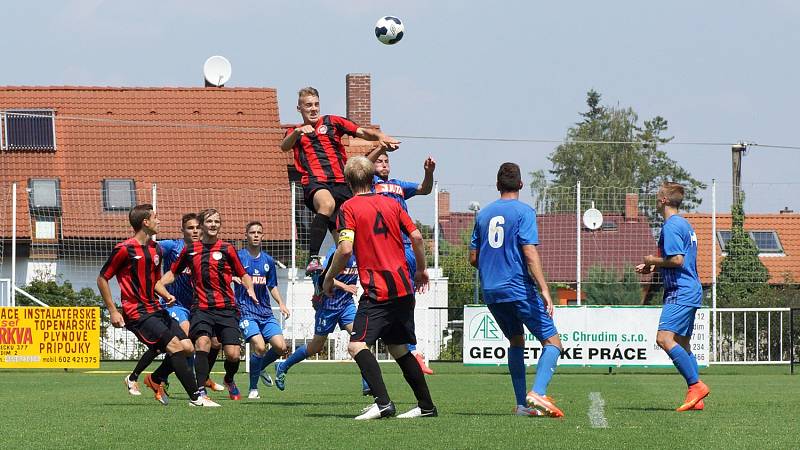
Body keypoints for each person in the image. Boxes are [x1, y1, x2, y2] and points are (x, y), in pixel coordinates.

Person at [323, 156, 436, 420]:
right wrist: (420, 270)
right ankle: (426, 406)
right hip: (404, 288)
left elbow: (346, 248)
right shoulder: (392, 203)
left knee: (356, 345)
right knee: (398, 347)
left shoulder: (348, 208)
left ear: (349, 182)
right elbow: (417, 237)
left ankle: (383, 402)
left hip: (378, 291)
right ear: (371, 177)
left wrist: (329, 277)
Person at [98, 204, 217, 407]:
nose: (159, 220)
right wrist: (112, 310)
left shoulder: (156, 250)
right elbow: (102, 278)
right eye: (155, 217)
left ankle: (153, 379)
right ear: (145, 222)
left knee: (188, 347)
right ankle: (197, 398)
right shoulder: (124, 249)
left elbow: (154, 282)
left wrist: (166, 294)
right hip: (137, 312)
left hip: (156, 308)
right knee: (174, 346)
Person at [469, 163, 564, 418]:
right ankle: (538, 393)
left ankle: (522, 405)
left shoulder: (483, 215)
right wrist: (544, 289)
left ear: (498, 185)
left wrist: (494, 261)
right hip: (518, 288)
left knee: (516, 341)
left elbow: (473, 258)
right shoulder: (524, 212)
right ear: (521, 185)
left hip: (492, 291)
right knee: (553, 342)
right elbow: (530, 252)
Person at [281, 86, 400, 276]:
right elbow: (284, 146)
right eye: (308, 105)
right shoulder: (295, 132)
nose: (313, 109)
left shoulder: (333, 122)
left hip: (342, 185)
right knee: (327, 204)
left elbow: (361, 132)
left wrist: (380, 136)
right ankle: (312, 257)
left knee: (345, 249)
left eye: (316, 104)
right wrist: (297, 133)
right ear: (299, 108)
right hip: (316, 183)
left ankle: (326, 281)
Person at [156, 208, 257, 403]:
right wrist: (159, 284)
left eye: (217, 222)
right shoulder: (190, 250)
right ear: (202, 225)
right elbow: (173, 273)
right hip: (201, 307)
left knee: (233, 354)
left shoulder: (227, 249)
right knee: (202, 343)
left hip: (227, 308)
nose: (213, 225)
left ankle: (229, 378)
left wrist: (250, 289)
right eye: (209, 221)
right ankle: (200, 391)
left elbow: (243, 274)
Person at [123, 213, 225, 396]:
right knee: (184, 341)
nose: (194, 231)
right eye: (190, 228)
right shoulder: (173, 246)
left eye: (196, 228)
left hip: (196, 305)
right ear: (183, 230)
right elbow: (147, 249)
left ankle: (167, 377)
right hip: (174, 304)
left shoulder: (204, 250)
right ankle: (191, 385)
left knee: (214, 342)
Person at [635, 182, 710, 411]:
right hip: (690, 289)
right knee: (684, 345)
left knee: (664, 338)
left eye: (658, 196)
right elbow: (678, 259)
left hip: (680, 291)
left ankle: (695, 385)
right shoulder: (684, 224)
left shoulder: (671, 226)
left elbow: (677, 260)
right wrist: (653, 268)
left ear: (665, 200)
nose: (656, 200)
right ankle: (697, 398)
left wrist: (652, 260)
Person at [372, 150, 436, 375]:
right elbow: (362, 164)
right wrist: (379, 147)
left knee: (407, 300)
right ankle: (406, 349)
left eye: (386, 161)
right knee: (387, 301)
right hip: (384, 250)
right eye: (379, 161)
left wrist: (428, 173)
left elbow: (424, 189)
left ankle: (412, 350)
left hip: (405, 249)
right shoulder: (368, 186)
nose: (384, 164)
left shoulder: (398, 185)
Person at [274, 243, 358, 390]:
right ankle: (283, 365)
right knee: (316, 347)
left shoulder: (361, 251)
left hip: (347, 305)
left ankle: (367, 383)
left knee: (360, 340)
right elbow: (324, 276)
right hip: (328, 306)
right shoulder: (336, 251)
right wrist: (345, 286)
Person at [234, 221, 291, 399]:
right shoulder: (239, 256)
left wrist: (281, 303)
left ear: (263, 236)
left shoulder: (267, 260)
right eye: (252, 232)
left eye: (259, 232)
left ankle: (260, 368)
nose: (256, 235)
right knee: (259, 346)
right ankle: (253, 389)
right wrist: (233, 277)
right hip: (246, 311)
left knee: (281, 347)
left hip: (265, 312)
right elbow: (225, 272)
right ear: (246, 235)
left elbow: (271, 285)